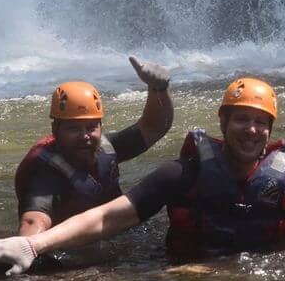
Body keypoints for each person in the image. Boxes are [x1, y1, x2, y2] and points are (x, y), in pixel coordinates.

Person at [0, 77, 285, 275]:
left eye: (260, 123)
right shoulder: (183, 173)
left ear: (270, 130)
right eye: (241, 119)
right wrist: (32, 245)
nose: (251, 131)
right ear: (223, 122)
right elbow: (111, 215)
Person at [15, 57, 173, 236]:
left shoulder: (106, 149)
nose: (84, 136)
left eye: (91, 127)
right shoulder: (45, 171)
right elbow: (34, 218)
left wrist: (158, 89)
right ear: (55, 130)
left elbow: (154, 127)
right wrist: (28, 245)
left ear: (100, 127)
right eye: (73, 128)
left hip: (119, 234)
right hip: (75, 251)